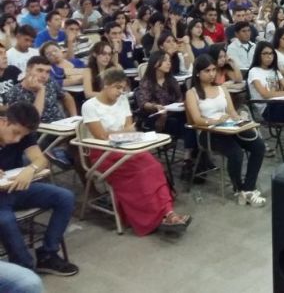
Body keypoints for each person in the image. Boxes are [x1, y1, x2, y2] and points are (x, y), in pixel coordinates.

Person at [82, 68, 191, 235]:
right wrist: (124, 133)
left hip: (127, 147)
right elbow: (101, 136)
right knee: (140, 173)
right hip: (104, 153)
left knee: (154, 167)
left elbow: (129, 128)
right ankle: (154, 218)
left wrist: (123, 133)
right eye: (117, 87)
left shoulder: (123, 100)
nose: (120, 92)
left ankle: (168, 213)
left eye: (123, 88)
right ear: (105, 85)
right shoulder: (90, 106)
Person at [0, 102, 78, 275]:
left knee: (65, 197)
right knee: (5, 220)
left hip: (16, 188)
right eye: (15, 133)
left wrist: (31, 169)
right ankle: (23, 269)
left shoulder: (23, 133)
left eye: (23, 135)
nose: (17, 139)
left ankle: (47, 254)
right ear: (3, 121)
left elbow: (40, 159)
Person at [185, 55, 267, 207]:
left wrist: (241, 119)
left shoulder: (221, 88)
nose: (211, 74)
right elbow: (196, 119)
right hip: (209, 132)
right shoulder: (192, 93)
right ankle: (239, 189)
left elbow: (231, 111)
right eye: (207, 71)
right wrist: (214, 121)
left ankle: (248, 188)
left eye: (213, 70)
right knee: (236, 153)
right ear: (197, 73)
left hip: (229, 128)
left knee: (259, 146)